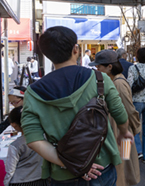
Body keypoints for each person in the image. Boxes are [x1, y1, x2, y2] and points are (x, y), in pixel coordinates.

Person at [21, 26, 134, 185]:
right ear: (76, 49)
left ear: (47, 54)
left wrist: (71, 163)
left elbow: (34, 140)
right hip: (101, 168)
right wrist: (124, 133)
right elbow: (119, 113)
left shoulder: (32, 93)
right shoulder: (99, 79)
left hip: (63, 174)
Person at [90, 50, 141, 186]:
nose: (97, 69)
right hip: (118, 129)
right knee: (123, 160)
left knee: (124, 161)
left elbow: (129, 110)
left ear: (109, 67)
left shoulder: (118, 83)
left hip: (121, 130)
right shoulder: (114, 80)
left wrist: (133, 128)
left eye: (99, 66)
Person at [4, 106, 48, 186]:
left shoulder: (16, 145)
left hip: (20, 181)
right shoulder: (44, 137)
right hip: (41, 178)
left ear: (13, 125)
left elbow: (10, 170)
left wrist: (6, 183)